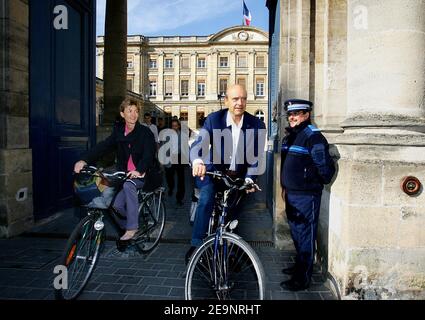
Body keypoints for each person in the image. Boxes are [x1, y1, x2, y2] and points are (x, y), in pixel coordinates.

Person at [186, 84, 266, 263]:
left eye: (244, 99)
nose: (240, 103)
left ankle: (228, 249)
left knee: (233, 213)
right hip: (215, 173)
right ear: (226, 101)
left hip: (238, 176)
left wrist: (249, 178)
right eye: (235, 99)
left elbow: (257, 157)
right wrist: (198, 161)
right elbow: (199, 144)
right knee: (206, 199)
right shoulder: (215, 119)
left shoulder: (257, 124)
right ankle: (196, 244)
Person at [74, 98, 157, 242]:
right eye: (129, 111)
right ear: (122, 114)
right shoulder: (119, 132)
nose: (133, 114)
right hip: (124, 174)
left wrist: (139, 170)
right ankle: (130, 225)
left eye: (136, 111)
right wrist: (84, 160)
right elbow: (103, 146)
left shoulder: (145, 132)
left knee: (128, 185)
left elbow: (149, 154)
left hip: (144, 174)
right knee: (116, 205)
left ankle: (132, 228)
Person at [279, 99, 335, 291]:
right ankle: (299, 267)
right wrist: (284, 185)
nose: (292, 117)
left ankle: (302, 279)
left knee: (305, 236)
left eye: (296, 114)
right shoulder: (292, 136)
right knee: (296, 233)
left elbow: (324, 169)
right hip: (292, 194)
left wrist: (311, 182)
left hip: (306, 196)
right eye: (290, 114)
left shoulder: (312, 136)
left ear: (306, 115)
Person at [165, 118, 186, 206]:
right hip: (170, 157)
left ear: (179, 126)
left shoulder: (183, 135)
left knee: (181, 179)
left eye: (176, 126)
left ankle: (179, 198)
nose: (174, 128)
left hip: (180, 157)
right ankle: (171, 187)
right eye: (173, 126)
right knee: (169, 176)